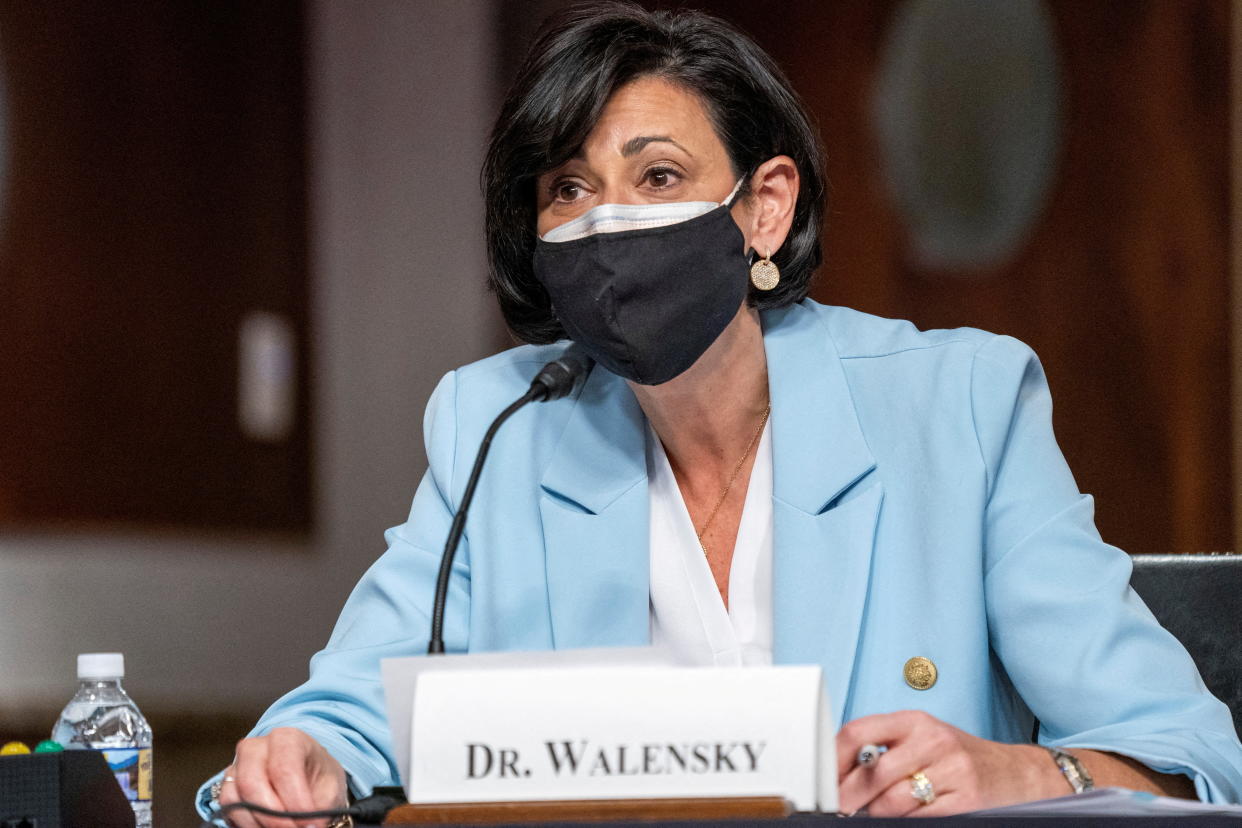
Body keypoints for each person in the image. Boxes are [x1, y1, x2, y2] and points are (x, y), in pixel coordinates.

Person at [200, 3, 1242, 824]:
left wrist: (1020, 774)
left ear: (763, 208)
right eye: (568, 188)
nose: (608, 218)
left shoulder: (959, 405)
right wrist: (304, 762)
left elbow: (1185, 757)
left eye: (658, 176)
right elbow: (346, 713)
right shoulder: (498, 425)